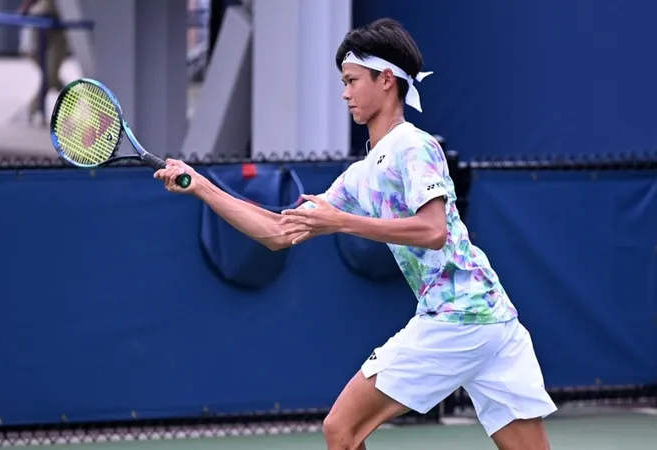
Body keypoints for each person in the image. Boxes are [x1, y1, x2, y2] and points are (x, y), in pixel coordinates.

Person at [154, 18, 557, 450]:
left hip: (457, 317)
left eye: (351, 81)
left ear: (386, 80)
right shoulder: (361, 175)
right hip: (494, 318)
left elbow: (433, 230)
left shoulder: (413, 145)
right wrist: (200, 185)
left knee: (340, 429)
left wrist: (342, 222)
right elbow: (278, 232)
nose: (345, 92)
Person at [18, 0, 69, 125]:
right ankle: (76, 102)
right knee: (51, 77)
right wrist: (26, 7)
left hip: (60, 21)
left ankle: (32, 108)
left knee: (51, 75)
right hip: (40, 18)